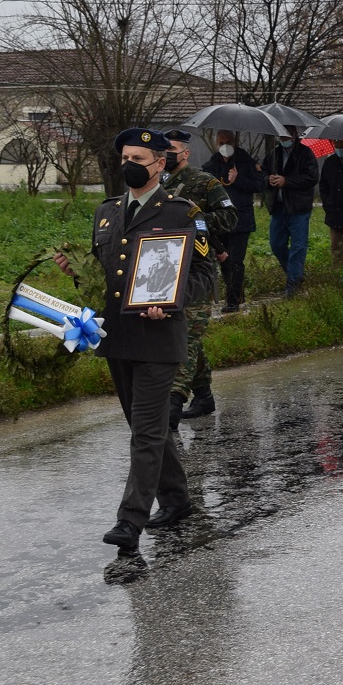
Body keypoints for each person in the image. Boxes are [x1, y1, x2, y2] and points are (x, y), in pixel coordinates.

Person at [56, 128, 217, 552]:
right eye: (125, 157)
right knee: (147, 427)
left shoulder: (184, 213)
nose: (129, 165)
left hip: (159, 338)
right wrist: (76, 271)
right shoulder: (106, 212)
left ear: (160, 164)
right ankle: (178, 500)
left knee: (145, 431)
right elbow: (105, 278)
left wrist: (171, 299)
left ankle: (130, 521)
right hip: (118, 338)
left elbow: (206, 277)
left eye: (139, 159)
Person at [162, 132, 237, 426]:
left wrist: (196, 218)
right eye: (163, 150)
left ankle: (173, 400)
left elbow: (230, 218)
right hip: (164, 267)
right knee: (189, 334)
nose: (167, 155)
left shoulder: (205, 182)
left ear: (186, 153)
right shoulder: (156, 183)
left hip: (196, 268)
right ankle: (204, 395)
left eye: (172, 149)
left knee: (187, 334)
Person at [202, 130, 264, 313]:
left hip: (241, 219)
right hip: (220, 221)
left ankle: (232, 301)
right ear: (216, 144)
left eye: (228, 142)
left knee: (236, 260)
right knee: (224, 260)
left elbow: (260, 185)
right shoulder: (211, 165)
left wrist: (238, 179)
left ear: (235, 142)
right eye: (221, 143)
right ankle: (238, 293)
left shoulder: (246, 162)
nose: (224, 146)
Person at [261, 126, 319, 297]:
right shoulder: (274, 154)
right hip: (278, 207)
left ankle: (293, 286)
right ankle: (296, 275)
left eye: (286, 135)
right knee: (276, 244)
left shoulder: (305, 153)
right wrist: (268, 179)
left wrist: (287, 181)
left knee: (298, 247)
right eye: (281, 136)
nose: (283, 139)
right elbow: (262, 173)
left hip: (298, 208)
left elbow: (312, 178)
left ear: (294, 135)